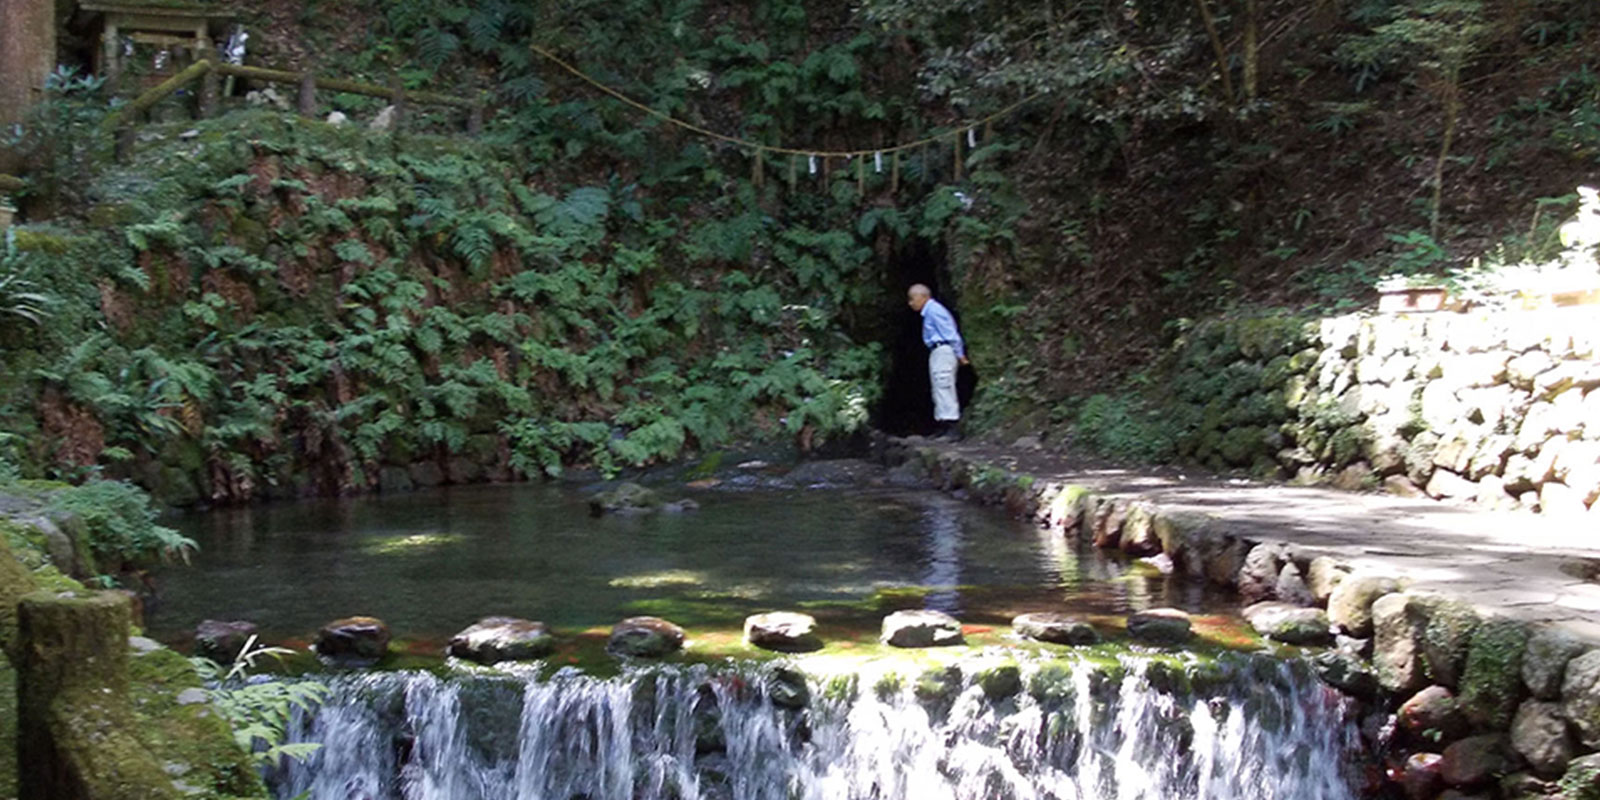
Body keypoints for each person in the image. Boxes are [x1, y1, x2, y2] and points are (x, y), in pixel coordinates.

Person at [906, 284, 968, 441]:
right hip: (936, 351)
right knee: (938, 387)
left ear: (924, 297)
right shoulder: (929, 312)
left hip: (944, 349)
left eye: (912, 299)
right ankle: (942, 425)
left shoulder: (935, 311)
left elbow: (950, 333)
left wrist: (960, 354)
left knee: (944, 384)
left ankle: (952, 428)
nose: (910, 303)